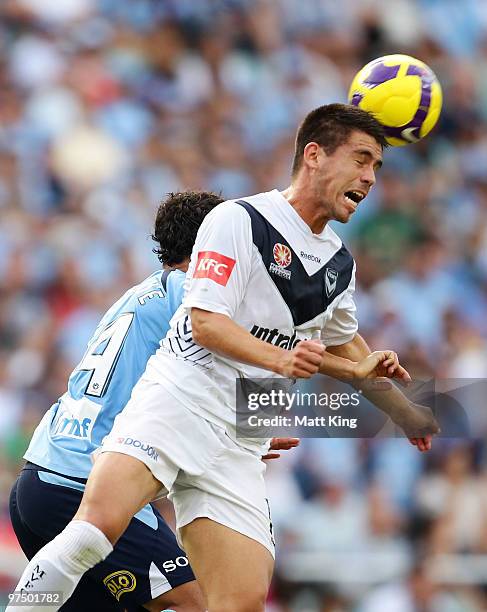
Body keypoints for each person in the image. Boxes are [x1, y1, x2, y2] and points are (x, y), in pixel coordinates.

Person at [8, 104, 439, 612]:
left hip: (232, 442)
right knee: (99, 538)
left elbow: (349, 346)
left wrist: (405, 410)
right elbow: (207, 324)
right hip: (174, 404)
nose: (370, 177)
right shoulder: (239, 220)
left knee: (236, 602)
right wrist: (285, 364)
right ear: (314, 155)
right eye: (362, 159)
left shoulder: (338, 262)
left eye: (378, 167)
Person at [9, 191, 223, 612]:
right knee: (196, 602)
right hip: (86, 485)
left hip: (39, 482)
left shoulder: (137, 297)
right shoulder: (190, 294)